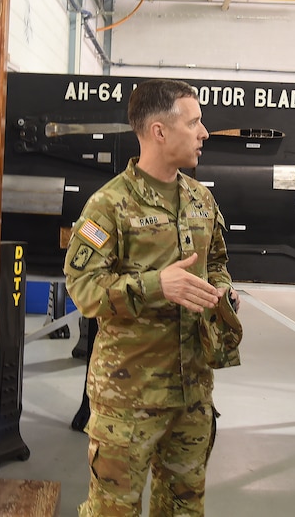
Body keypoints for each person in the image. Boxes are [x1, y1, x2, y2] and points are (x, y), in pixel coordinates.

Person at [64, 78, 241, 517]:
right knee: (113, 509)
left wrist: (220, 288)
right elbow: (83, 288)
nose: (204, 133)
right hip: (128, 398)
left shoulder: (202, 199)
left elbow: (216, 260)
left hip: (192, 391)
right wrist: (156, 285)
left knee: (184, 506)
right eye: (194, 122)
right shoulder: (108, 206)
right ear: (160, 131)